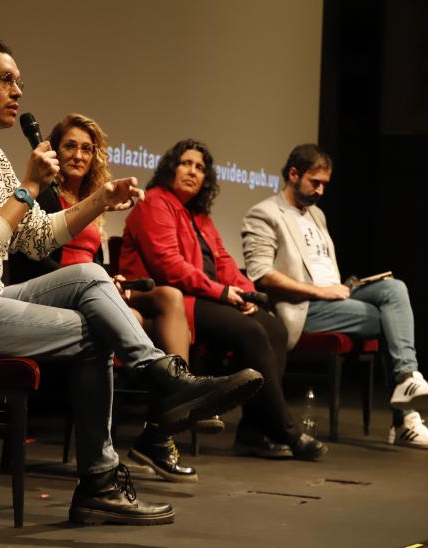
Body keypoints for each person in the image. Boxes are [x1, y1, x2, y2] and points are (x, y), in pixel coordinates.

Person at [0, 38, 265, 526]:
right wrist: (30, 189)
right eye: (5, 79)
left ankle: (157, 377)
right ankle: (103, 478)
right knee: (93, 335)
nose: (17, 91)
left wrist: (99, 201)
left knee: (87, 274)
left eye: (18, 81)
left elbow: (40, 238)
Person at [9, 113, 204, 483]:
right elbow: (38, 256)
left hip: (90, 287)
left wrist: (108, 278)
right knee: (129, 317)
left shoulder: (90, 201)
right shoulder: (42, 193)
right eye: (70, 146)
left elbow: (91, 261)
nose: (79, 155)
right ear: (52, 149)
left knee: (169, 297)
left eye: (87, 148)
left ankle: (174, 394)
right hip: (50, 290)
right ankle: (163, 419)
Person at [120, 139, 327, 460]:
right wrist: (221, 292)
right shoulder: (155, 202)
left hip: (202, 296)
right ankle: (286, 429)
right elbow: (168, 266)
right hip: (168, 299)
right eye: (186, 163)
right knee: (251, 332)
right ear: (171, 168)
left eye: (200, 168)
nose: (193, 171)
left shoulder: (199, 216)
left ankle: (253, 433)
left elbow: (225, 263)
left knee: (273, 327)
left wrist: (246, 293)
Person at [241, 143, 428, 449]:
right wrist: (320, 291)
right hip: (305, 306)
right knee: (387, 319)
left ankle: (406, 380)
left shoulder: (317, 216)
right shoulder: (264, 213)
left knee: (394, 288)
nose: (321, 191)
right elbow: (262, 275)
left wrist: (343, 286)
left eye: (325, 184)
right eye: (315, 182)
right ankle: (405, 420)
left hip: (336, 295)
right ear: (293, 174)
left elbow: (321, 267)